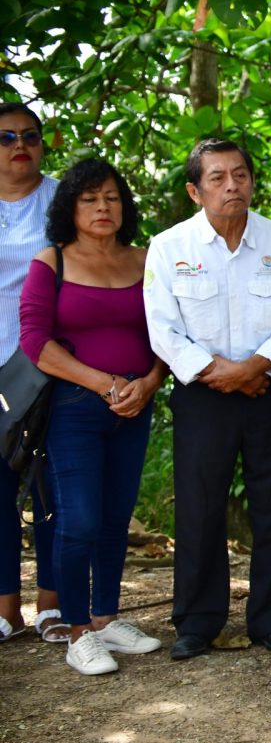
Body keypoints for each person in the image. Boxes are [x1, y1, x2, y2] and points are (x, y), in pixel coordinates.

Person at [145, 138, 271, 660]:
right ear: (195, 190)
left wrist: (252, 369)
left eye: (239, 175)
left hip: (270, 390)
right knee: (199, 508)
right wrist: (221, 374)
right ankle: (197, 623)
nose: (231, 186)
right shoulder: (169, 248)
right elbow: (163, 330)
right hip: (204, 395)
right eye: (217, 178)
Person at [18, 159, 166, 675]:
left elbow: (171, 333)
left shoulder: (148, 260)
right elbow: (35, 343)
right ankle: (76, 631)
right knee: (77, 519)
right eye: (89, 199)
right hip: (75, 408)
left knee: (113, 518)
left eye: (111, 198)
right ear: (70, 208)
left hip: (135, 405)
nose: (102, 208)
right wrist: (104, 383)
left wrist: (148, 383)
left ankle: (106, 620)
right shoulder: (51, 262)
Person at [0, 101, 60, 643]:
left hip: (48, 361)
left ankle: (51, 605)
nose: (20, 145)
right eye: (6, 137)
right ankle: (5, 609)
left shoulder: (63, 199)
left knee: (50, 486)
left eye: (30, 135)